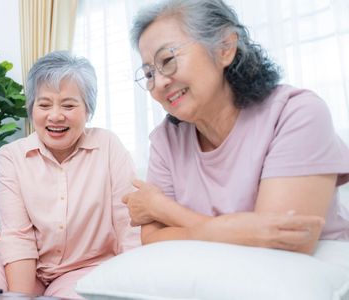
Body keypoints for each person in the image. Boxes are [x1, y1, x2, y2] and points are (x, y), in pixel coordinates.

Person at [124, 0, 349, 254]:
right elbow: (152, 239)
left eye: (167, 59)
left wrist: (162, 208)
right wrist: (225, 231)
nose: (160, 82)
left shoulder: (296, 114)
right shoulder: (167, 139)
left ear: (225, 48)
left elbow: (283, 245)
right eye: (149, 74)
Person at [0, 51, 140, 299]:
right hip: (22, 267)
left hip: (85, 268)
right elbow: (17, 237)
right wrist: (20, 296)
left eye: (69, 105)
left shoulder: (107, 146)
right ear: (32, 109)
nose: (55, 115)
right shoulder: (11, 157)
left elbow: (129, 224)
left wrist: (133, 285)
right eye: (44, 104)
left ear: (88, 110)